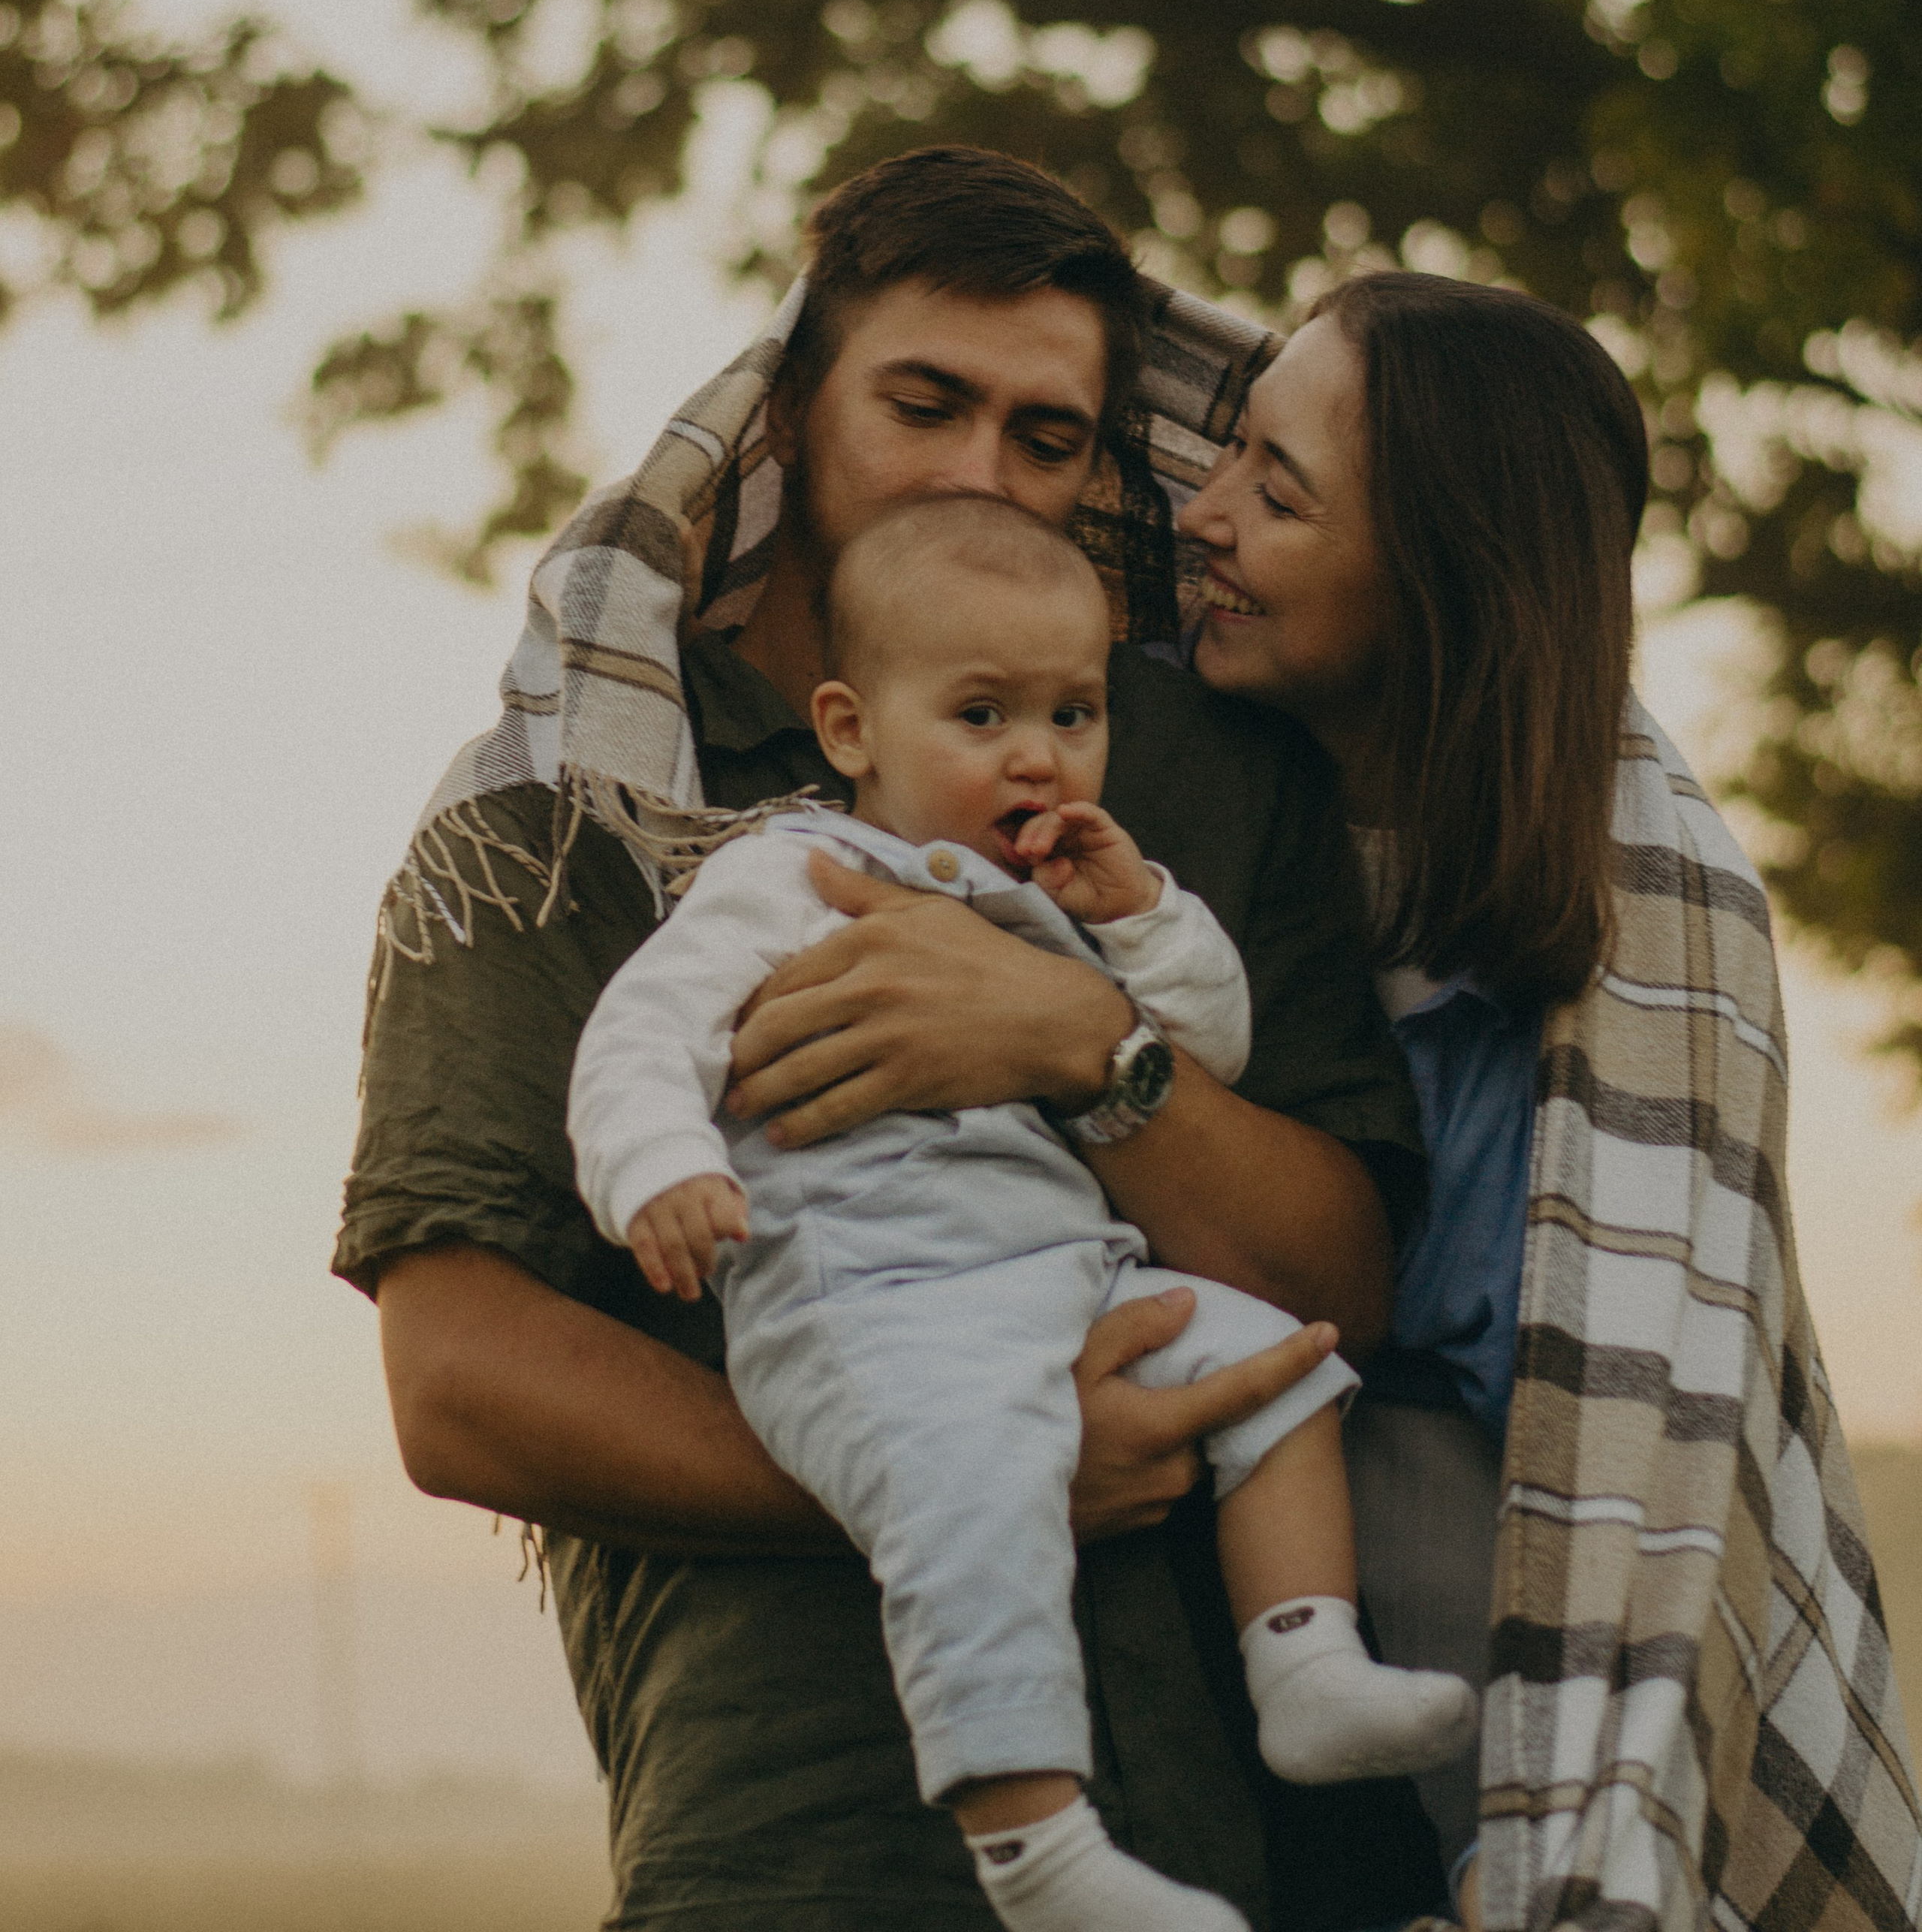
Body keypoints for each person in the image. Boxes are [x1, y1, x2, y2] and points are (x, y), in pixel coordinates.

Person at [334, 149, 1434, 1932]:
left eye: (1048, 437)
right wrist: (969, 1465)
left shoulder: (1197, 785)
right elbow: (456, 1380)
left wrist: (1086, 1043)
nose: (979, 475)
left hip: (1265, 1849)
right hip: (813, 1844)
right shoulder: (563, 822)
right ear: (785, 409)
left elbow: (1346, 1286)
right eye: (922, 405)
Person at [568, 496, 1475, 1932]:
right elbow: (637, 1040)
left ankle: (1304, 1659)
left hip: (1065, 1280)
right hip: (873, 1307)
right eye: (981, 713)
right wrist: (661, 1168)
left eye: (1074, 712)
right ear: (854, 731)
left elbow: (1208, 1049)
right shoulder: (782, 880)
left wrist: (1143, 920)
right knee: (978, 1499)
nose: (1038, 754)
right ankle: (1037, 1849)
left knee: (1275, 1368)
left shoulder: (1048, 899)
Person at [1179, 268, 1922, 1932]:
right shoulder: (1182, 826)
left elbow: (1632, 1483)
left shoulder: (1646, 926)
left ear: (1432, 580)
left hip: (1495, 1615)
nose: (1201, 512)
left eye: (1275, 494)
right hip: (1240, 1620)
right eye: (1225, 452)